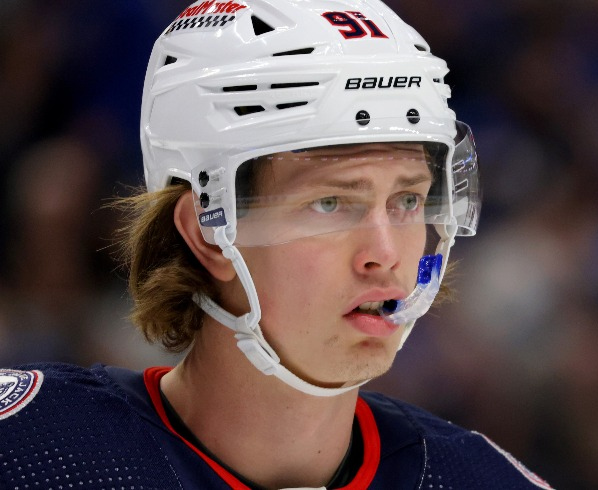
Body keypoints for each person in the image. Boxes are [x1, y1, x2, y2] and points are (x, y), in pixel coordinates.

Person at [0, 0, 554, 488]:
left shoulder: (484, 479)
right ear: (207, 232)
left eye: (408, 200)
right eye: (333, 203)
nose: (385, 253)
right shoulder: (31, 458)